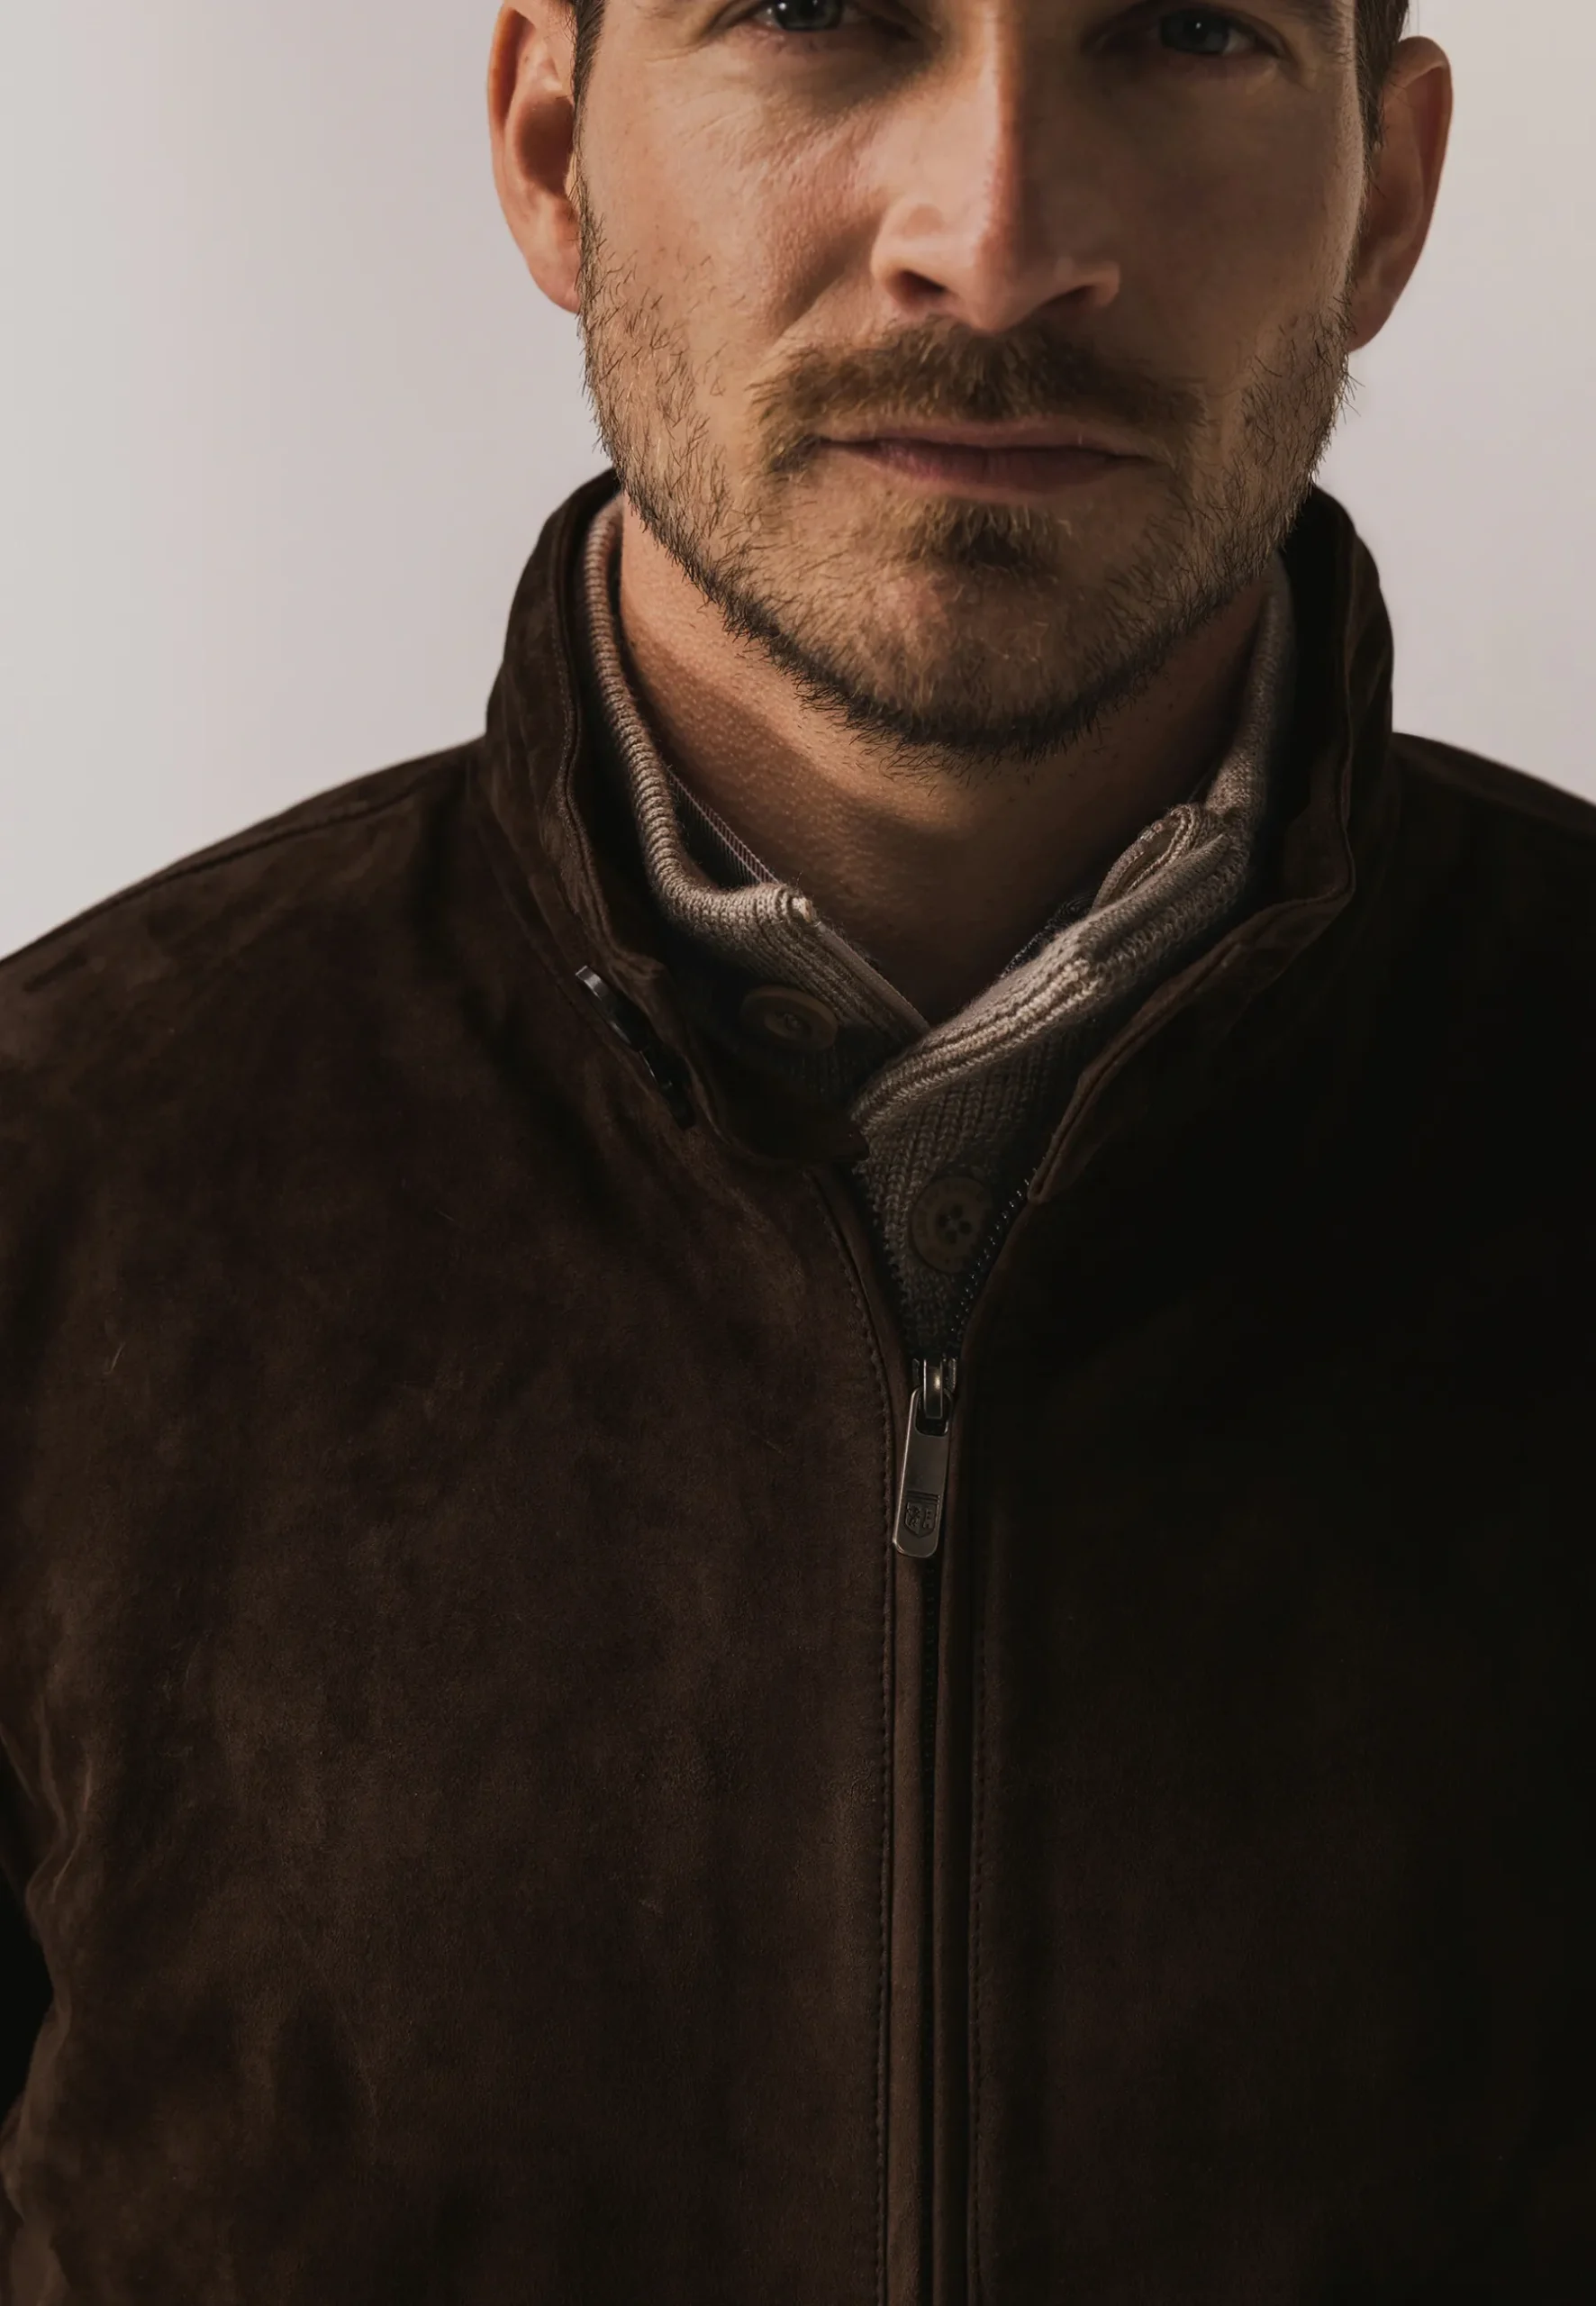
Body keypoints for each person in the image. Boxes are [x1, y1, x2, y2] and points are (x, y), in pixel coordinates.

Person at [2, 0, 1591, 2296]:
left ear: (1391, 199)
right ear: (552, 145)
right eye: (819, 19)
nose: (994, 239)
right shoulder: (56, 1188)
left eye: (1179, 31)